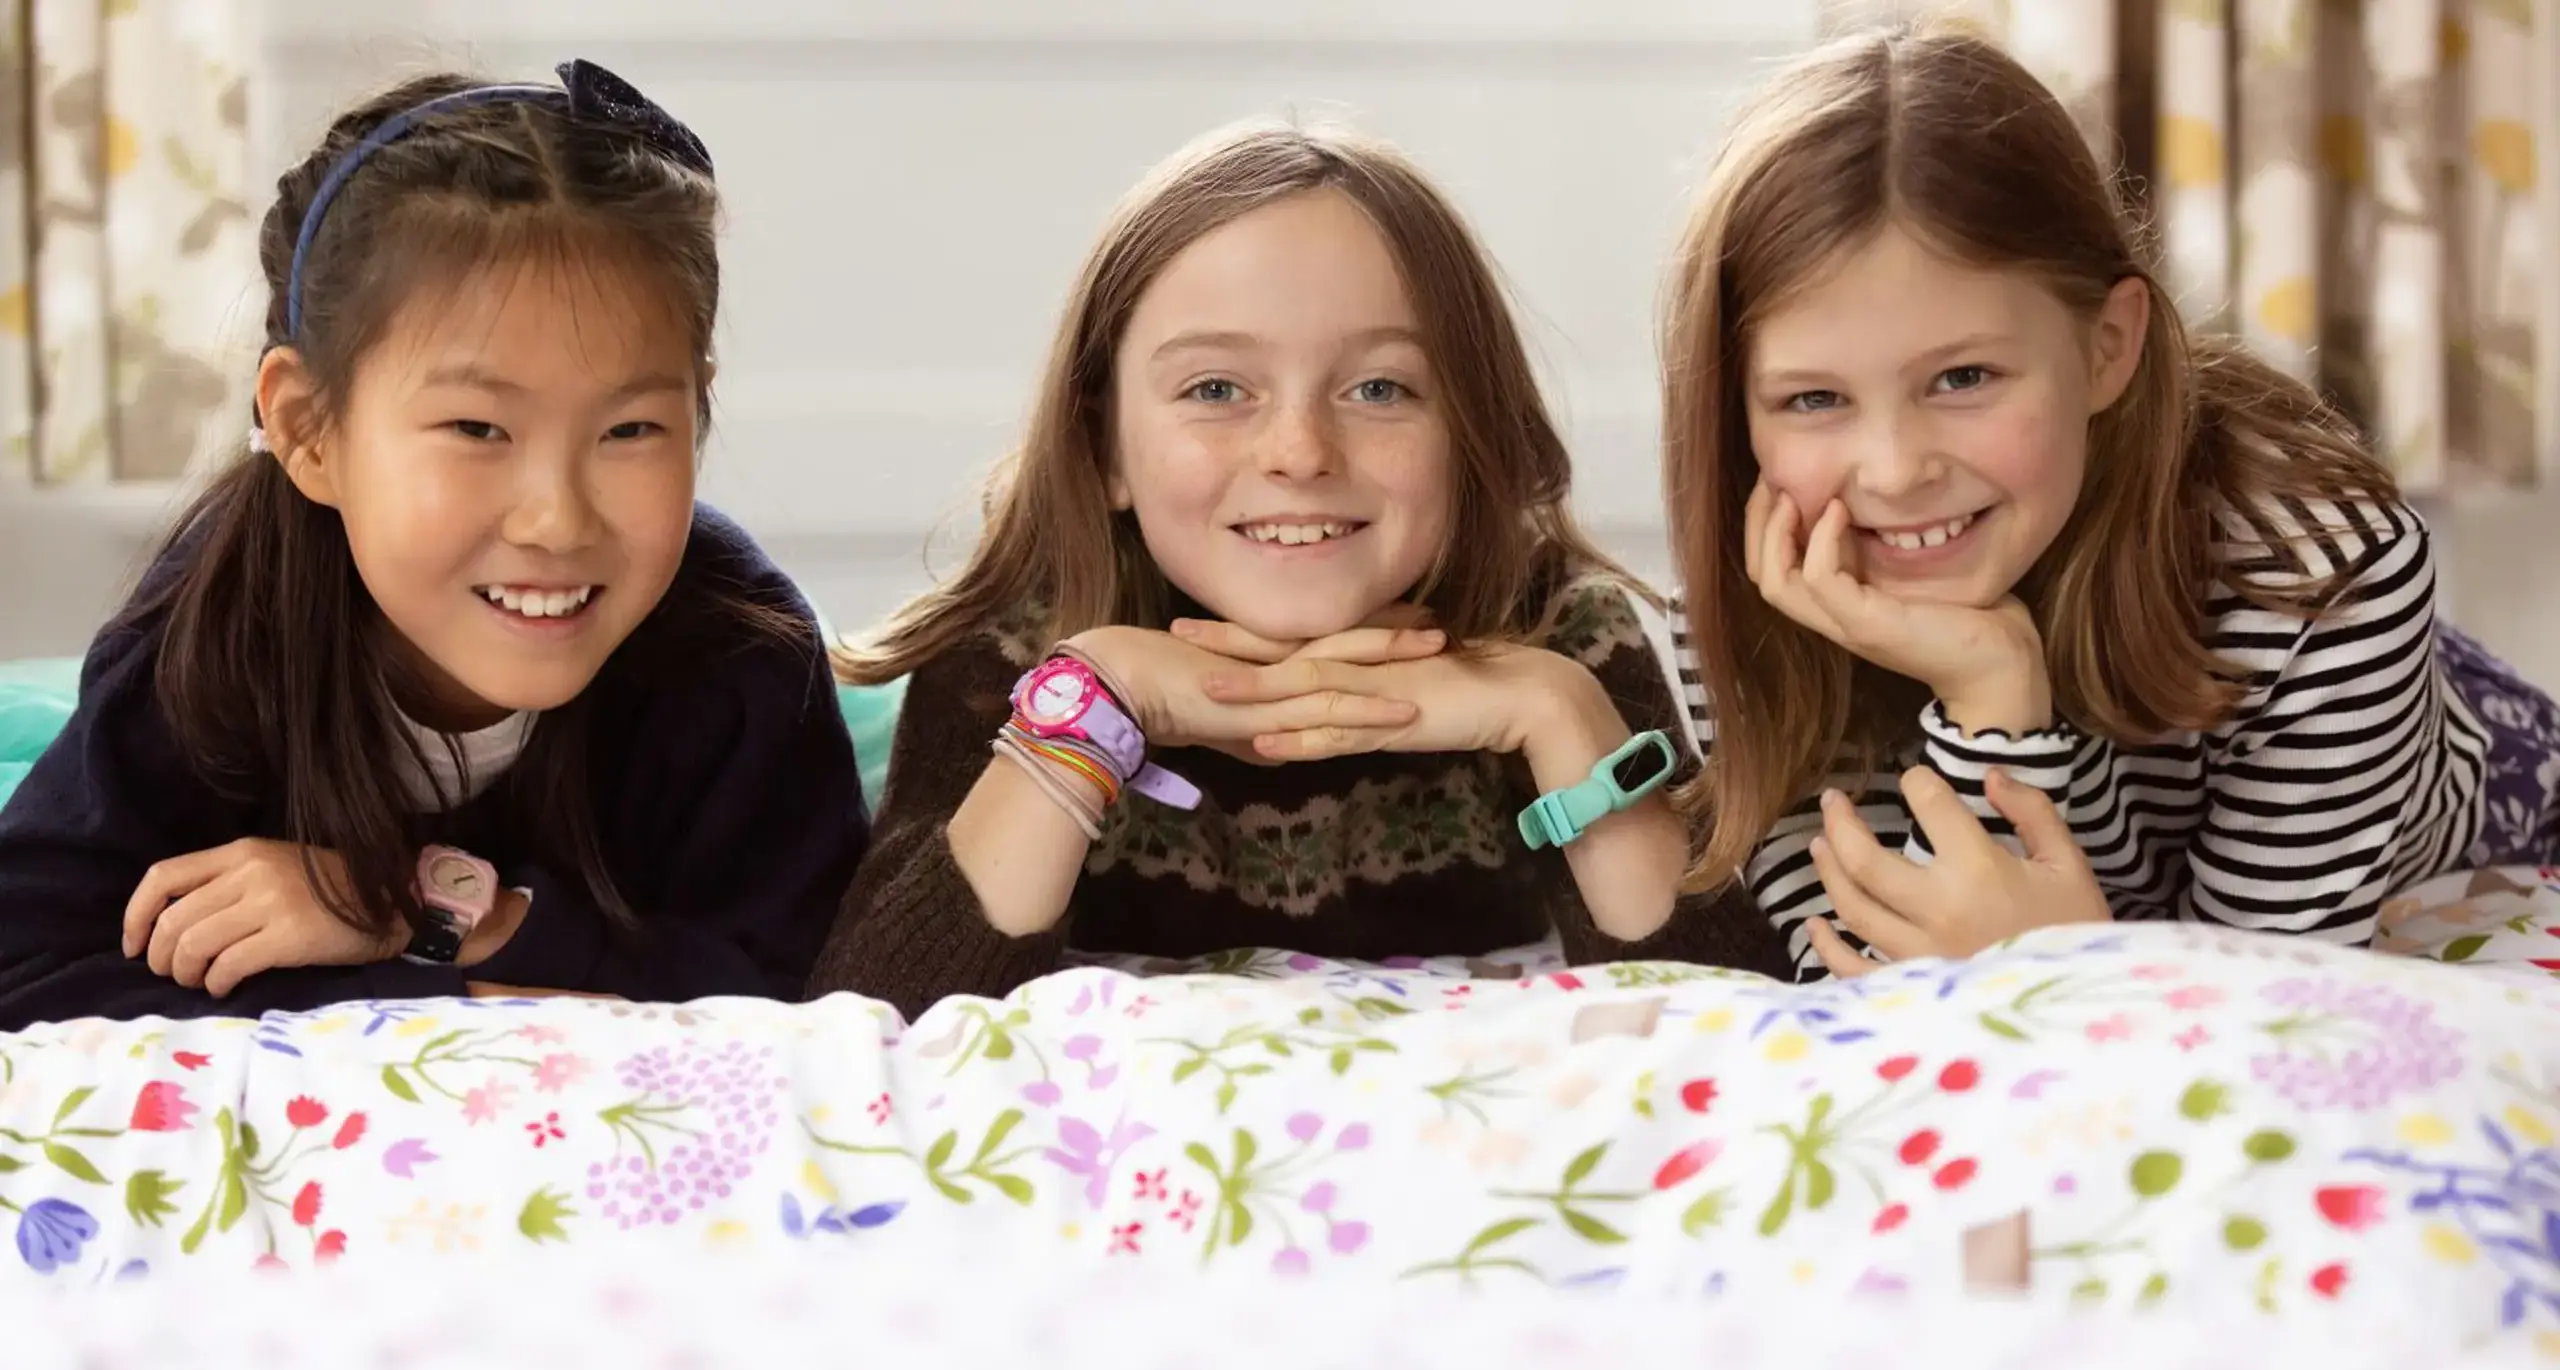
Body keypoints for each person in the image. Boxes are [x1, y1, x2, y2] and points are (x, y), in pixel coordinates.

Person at [812, 121, 1790, 1020]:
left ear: (1471, 434)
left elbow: (1736, 1033)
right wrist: (1094, 709)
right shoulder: (1016, 655)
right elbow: (873, 1029)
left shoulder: (1564, 637)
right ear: (1103, 445)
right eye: (1215, 388)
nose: (1299, 448)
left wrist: (1555, 710)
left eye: (1378, 387)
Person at [0, 62, 866, 1028]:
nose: (557, 520)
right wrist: (496, 995)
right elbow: (30, 975)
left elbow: (807, 1001)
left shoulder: (741, 654)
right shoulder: (218, 635)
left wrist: (430, 913)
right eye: (476, 430)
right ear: (307, 430)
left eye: (630, 431)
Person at [1658, 24, 2502, 980]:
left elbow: (2266, 1003)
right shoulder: (1760, 589)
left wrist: (2072, 961)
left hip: (2446, 744)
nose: (1893, 472)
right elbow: (1865, 979)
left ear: (2106, 347)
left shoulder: (2324, 578)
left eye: (1964, 377)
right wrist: (1991, 697)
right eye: (1814, 399)